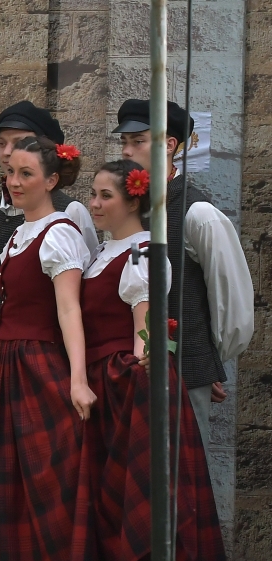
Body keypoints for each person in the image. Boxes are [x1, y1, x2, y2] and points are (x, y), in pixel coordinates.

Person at [77, 160, 233, 561]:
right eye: (93, 194)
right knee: (109, 499)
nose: (94, 204)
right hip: (107, 384)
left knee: (136, 500)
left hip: (132, 386)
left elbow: (143, 337)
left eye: (105, 196)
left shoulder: (144, 252)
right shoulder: (104, 253)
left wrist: (132, 383)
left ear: (135, 200)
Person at [0, 136, 95, 561]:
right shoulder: (19, 234)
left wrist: (77, 378)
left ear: (52, 180)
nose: (15, 182)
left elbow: (69, 309)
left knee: (48, 484)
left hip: (39, 366)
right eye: (11, 173)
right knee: (11, 486)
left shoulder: (60, 232)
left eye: (27, 174)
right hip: (6, 366)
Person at [115, 98, 254, 452]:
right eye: (124, 142)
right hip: (129, 370)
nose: (127, 151)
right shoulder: (125, 209)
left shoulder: (198, 213)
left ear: (169, 144)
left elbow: (231, 299)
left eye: (138, 141)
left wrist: (205, 363)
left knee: (183, 475)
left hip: (185, 372)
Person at [0, 101, 98, 361]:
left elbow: (81, 295)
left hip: (49, 353)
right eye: (1, 143)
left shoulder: (70, 213)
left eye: (19, 142)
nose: (8, 152)